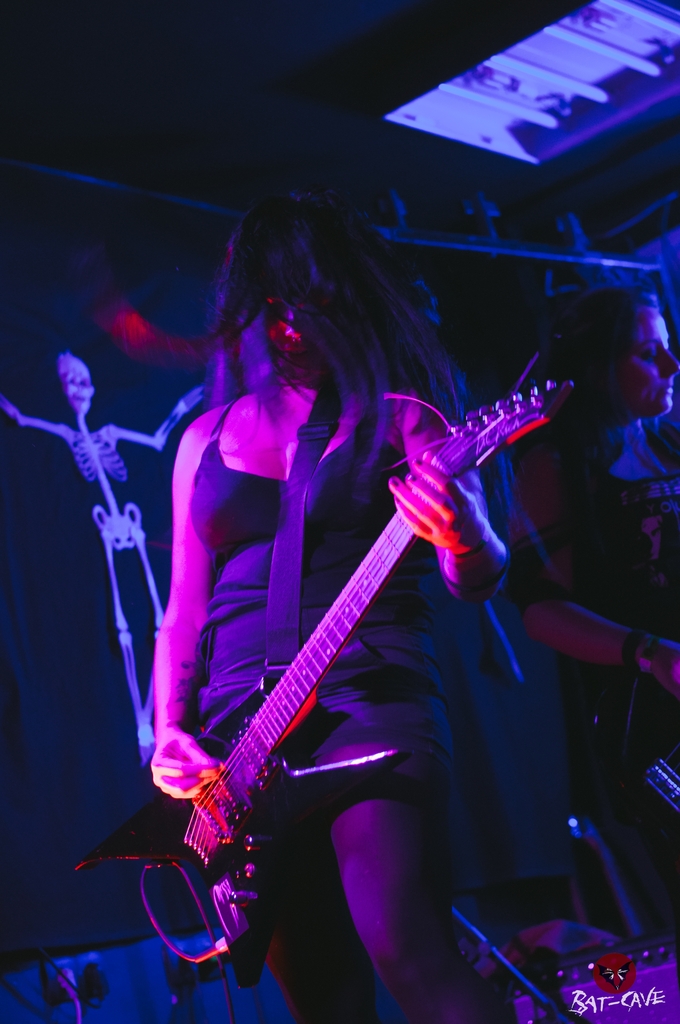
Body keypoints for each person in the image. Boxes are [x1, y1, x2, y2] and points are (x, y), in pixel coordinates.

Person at [150, 187, 512, 1024]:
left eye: (308, 303)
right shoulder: (203, 440)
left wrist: (466, 534)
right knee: (323, 1001)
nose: (289, 328)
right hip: (240, 751)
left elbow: (478, 575)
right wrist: (169, 730)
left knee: (407, 948)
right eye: (273, 307)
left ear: (344, 297)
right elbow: (182, 613)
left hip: (367, 703)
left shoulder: (403, 417)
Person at [508, 285, 680, 956]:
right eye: (647, 353)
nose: (671, 366)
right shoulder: (556, 462)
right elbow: (541, 609)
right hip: (649, 722)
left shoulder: (670, 445)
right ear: (597, 366)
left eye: (668, 348)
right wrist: (649, 651)